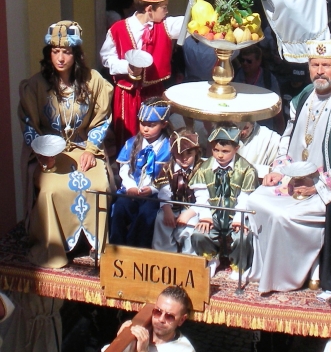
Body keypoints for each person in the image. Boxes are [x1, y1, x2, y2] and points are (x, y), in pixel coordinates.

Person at [247, 39, 331, 294]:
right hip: (293, 179)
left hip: (328, 190)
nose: (320, 71)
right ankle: (259, 270)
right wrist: (279, 169)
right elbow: (288, 137)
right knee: (255, 201)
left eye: (326, 65)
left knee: (284, 216)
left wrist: (317, 186)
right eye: (314, 65)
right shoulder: (304, 96)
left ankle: (287, 277)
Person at [18, 21, 113, 268]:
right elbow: (29, 122)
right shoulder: (36, 85)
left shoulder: (94, 82)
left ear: (77, 55)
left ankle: (97, 246)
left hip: (83, 147)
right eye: (55, 51)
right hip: (49, 151)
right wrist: (40, 153)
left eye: (66, 52)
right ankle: (53, 248)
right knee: (51, 189)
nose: (60, 58)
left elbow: (101, 120)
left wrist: (92, 150)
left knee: (98, 184)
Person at [101, 0, 203, 150]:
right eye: (164, 8)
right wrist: (127, 67)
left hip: (153, 94)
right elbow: (105, 58)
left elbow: (193, 22)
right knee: (128, 141)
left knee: (155, 143)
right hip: (127, 95)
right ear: (149, 9)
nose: (167, 11)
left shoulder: (166, 26)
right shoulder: (117, 29)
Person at [189, 123, 258, 278]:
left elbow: (245, 198)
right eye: (216, 150)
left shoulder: (247, 170)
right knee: (199, 234)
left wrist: (239, 218)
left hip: (237, 213)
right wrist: (205, 216)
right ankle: (211, 258)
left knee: (243, 235)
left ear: (236, 149)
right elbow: (201, 195)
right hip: (213, 214)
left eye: (225, 151)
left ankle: (239, 265)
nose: (220, 155)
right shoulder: (204, 168)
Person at [109, 101, 171, 248]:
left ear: (164, 124)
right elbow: (124, 169)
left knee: (147, 213)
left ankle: (137, 249)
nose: (146, 129)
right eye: (143, 124)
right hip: (131, 191)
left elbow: (169, 176)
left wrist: (153, 189)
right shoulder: (131, 143)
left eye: (151, 125)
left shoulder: (168, 148)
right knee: (120, 206)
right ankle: (116, 247)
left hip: (155, 195)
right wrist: (130, 186)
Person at [152, 130, 202, 254]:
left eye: (189, 153)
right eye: (179, 154)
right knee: (161, 218)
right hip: (173, 206)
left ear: (196, 151)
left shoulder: (202, 169)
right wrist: (167, 208)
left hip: (194, 208)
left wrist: (190, 213)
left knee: (192, 224)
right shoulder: (167, 168)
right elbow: (164, 191)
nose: (184, 158)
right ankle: (164, 253)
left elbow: (203, 196)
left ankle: (189, 256)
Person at [108, 285, 195, 352]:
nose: (161, 319)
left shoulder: (184, 349)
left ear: (181, 320)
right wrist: (120, 341)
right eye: (158, 312)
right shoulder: (136, 335)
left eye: (169, 317)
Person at [234, 45, 283, 131]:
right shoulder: (235, 75)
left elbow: (278, 109)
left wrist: (281, 132)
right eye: (242, 60)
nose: (245, 63)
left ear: (258, 61)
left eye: (249, 61)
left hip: (263, 129)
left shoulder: (268, 79)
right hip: (240, 128)